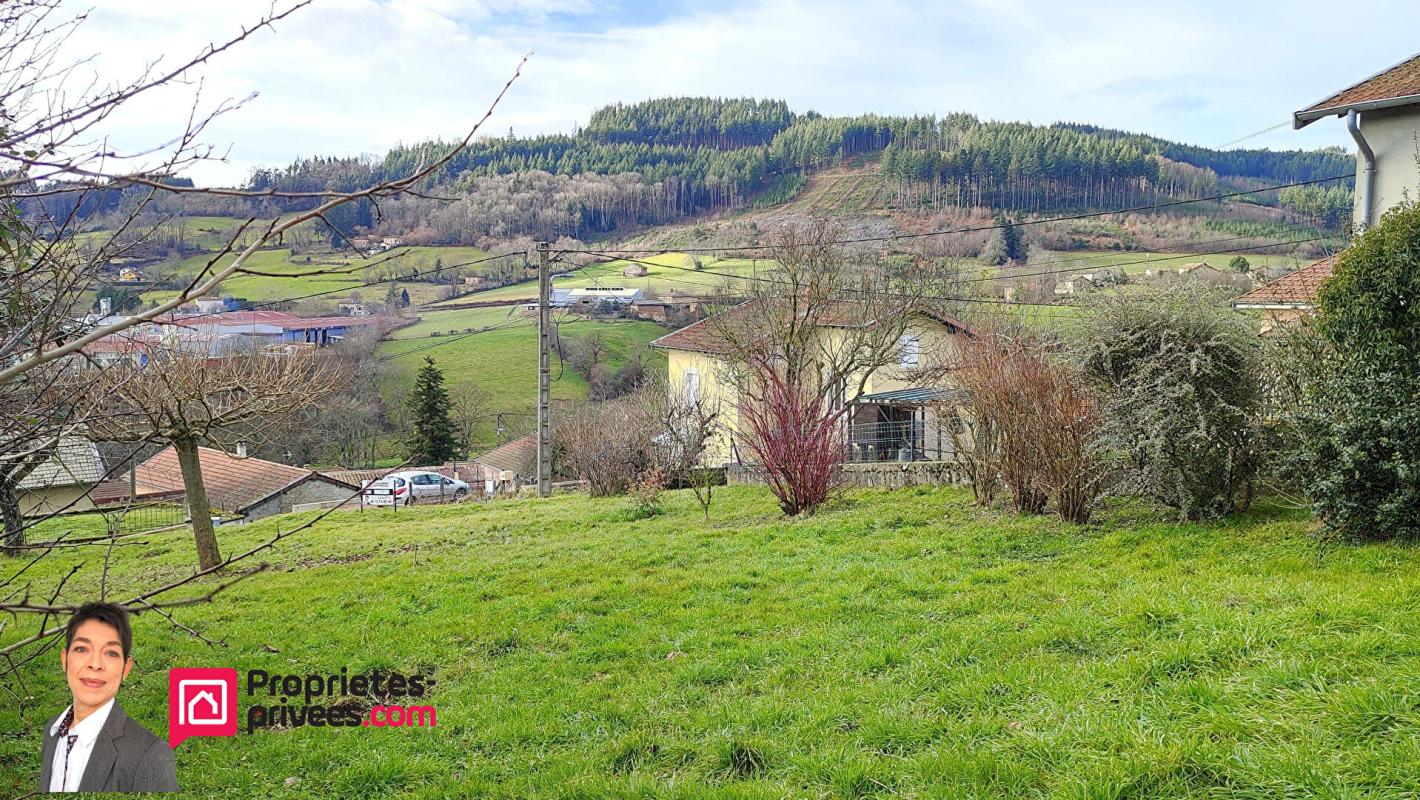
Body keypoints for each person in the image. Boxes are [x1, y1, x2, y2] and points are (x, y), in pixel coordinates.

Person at [38, 602, 178, 793]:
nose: (95, 664)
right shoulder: (53, 729)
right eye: (82, 649)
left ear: (125, 669)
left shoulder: (150, 755)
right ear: (64, 659)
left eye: (111, 653)